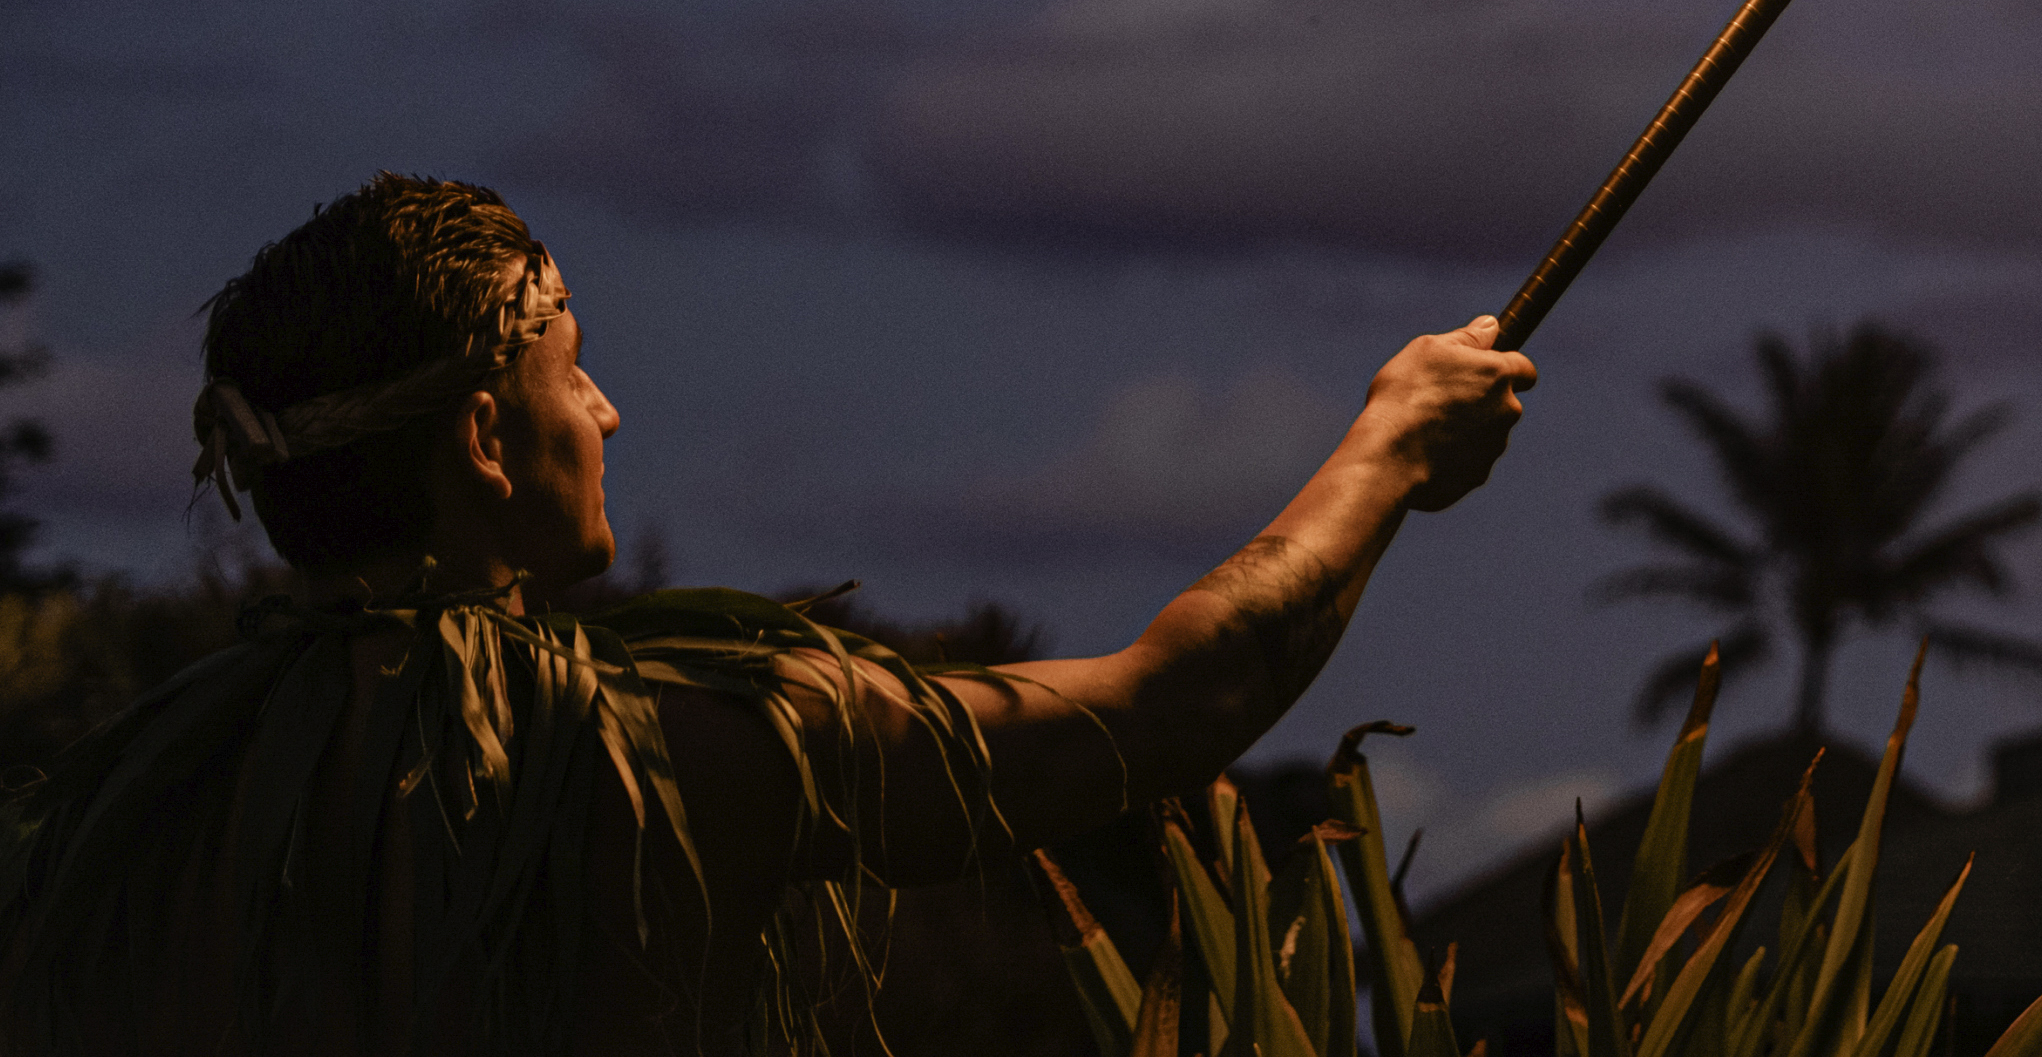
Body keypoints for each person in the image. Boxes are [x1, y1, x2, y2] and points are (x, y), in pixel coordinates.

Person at [0, 171, 1535, 1054]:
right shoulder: (656, 756)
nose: (605, 410)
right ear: (481, 439)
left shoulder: (132, 826)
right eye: (570, 365)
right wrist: (1391, 443)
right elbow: (1167, 707)